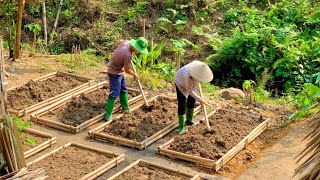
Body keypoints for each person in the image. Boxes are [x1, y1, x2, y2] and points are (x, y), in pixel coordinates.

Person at [105, 37, 148, 121]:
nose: (139, 52)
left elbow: (120, 41)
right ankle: (108, 114)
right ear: (135, 47)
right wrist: (134, 74)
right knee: (114, 92)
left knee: (123, 89)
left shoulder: (126, 43)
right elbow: (127, 70)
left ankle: (125, 107)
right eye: (139, 51)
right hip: (114, 72)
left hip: (119, 71)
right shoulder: (128, 55)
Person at [174, 60, 213, 134]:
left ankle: (189, 119)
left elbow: (195, 87)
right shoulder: (187, 76)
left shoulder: (199, 70)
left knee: (192, 100)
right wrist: (200, 100)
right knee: (182, 102)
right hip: (180, 83)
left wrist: (198, 98)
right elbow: (190, 91)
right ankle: (181, 126)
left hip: (190, 85)